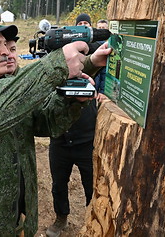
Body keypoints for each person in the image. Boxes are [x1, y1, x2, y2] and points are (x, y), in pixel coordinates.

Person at [0, 16, 111, 236]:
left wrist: (79, 88)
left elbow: (46, 121)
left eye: (7, 46)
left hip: (15, 221)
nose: (6, 51)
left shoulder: (5, 87)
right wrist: (55, 65)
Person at [46, 13, 104, 237]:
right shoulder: (55, 62)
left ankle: (93, 219)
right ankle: (61, 219)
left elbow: (97, 65)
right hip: (59, 140)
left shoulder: (88, 57)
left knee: (91, 184)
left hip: (86, 139)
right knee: (59, 184)